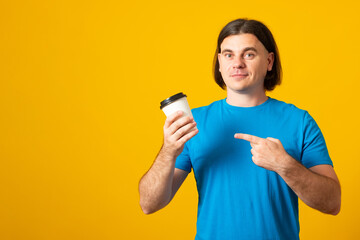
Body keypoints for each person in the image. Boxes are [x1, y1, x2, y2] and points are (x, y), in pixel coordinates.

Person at [139, 18, 341, 239]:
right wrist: (168, 150)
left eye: (249, 54)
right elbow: (149, 204)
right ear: (219, 62)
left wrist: (285, 165)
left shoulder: (299, 121)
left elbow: (332, 203)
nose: (237, 63)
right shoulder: (193, 122)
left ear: (269, 61)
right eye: (228, 54)